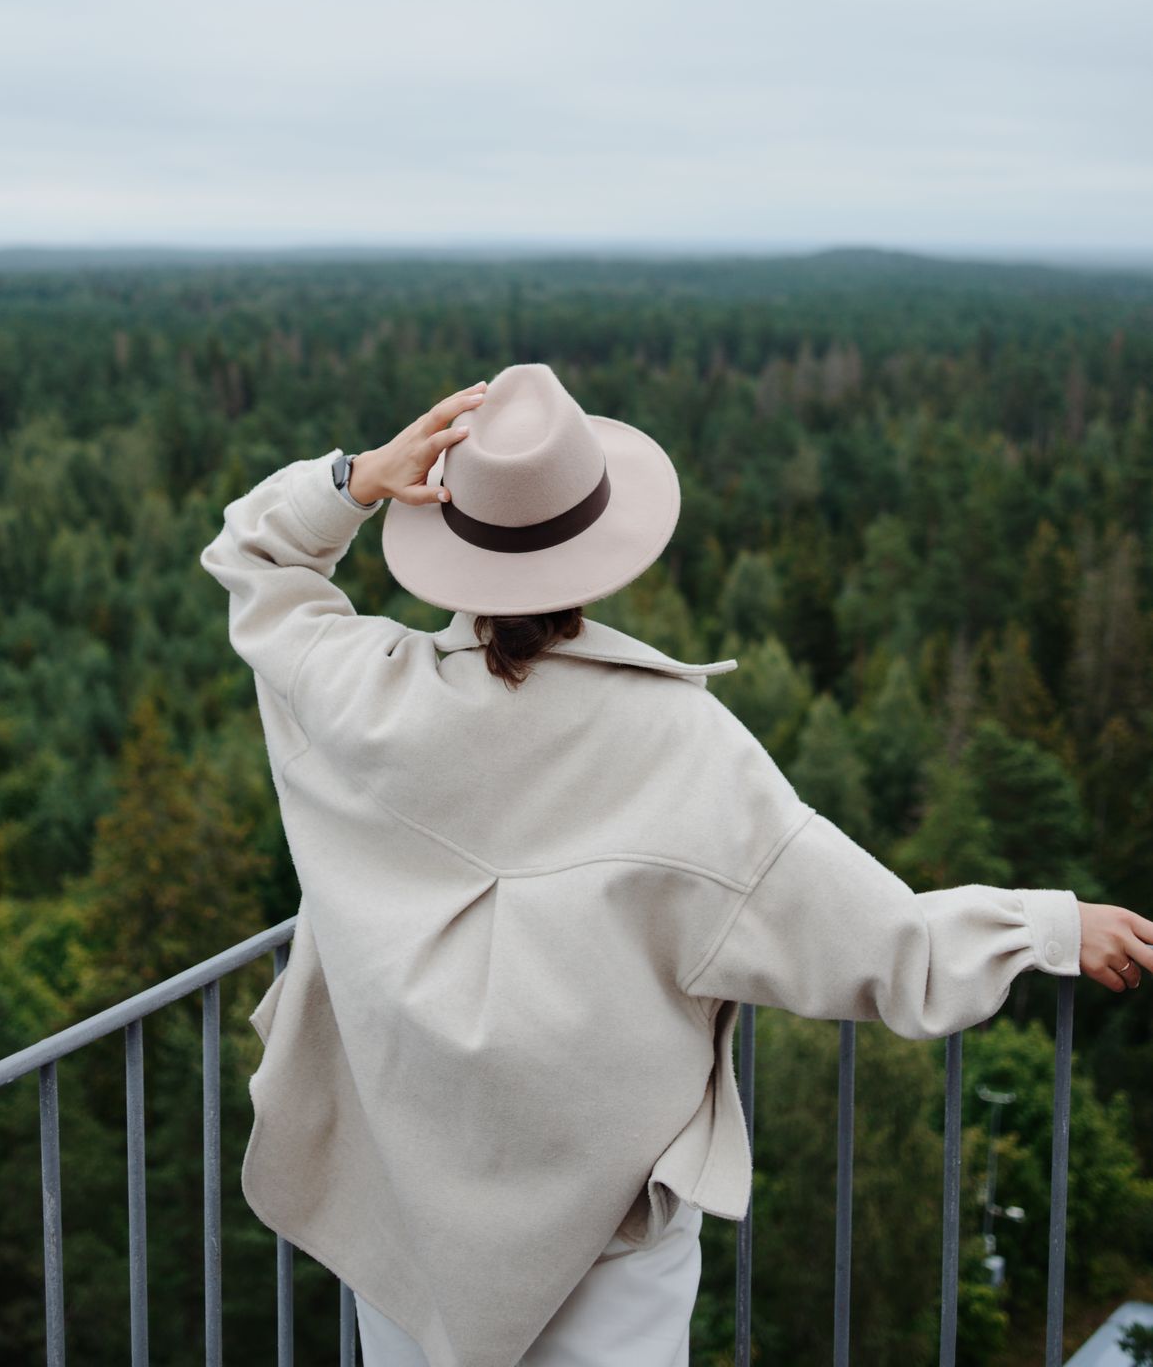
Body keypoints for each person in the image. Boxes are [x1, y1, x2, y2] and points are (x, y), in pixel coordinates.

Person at [199, 362, 1149, 1367]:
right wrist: (1046, 928)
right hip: (600, 1252)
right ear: (601, 558)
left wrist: (357, 476)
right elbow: (883, 943)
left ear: (446, 539)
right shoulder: (681, 749)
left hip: (402, 1218)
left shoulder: (358, 696)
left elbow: (256, 561)